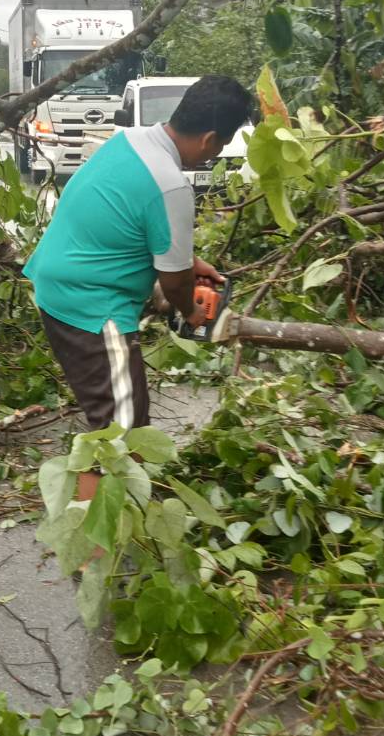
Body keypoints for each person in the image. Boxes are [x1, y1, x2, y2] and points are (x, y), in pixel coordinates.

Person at [24, 73, 257, 502]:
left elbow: (133, 228)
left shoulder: (130, 141)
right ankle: (93, 550)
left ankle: (115, 526)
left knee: (118, 419)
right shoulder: (170, 184)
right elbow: (173, 280)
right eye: (221, 145)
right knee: (119, 429)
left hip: (62, 281)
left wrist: (188, 263)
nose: (217, 153)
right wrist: (191, 311)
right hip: (92, 306)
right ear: (210, 139)